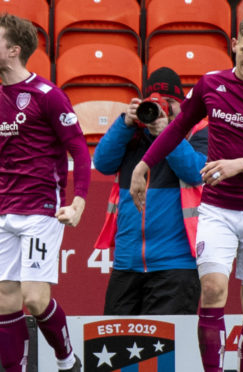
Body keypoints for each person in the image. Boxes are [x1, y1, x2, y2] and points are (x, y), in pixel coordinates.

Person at [130, 15, 243, 372]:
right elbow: (178, 127)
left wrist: (240, 164)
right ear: (235, 43)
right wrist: (144, 164)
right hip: (218, 209)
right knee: (212, 290)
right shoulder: (210, 84)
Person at [0, 13, 90, 372]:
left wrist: (78, 203)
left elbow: (79, 150)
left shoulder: (48, 96)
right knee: (3, 298)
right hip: (5, 210)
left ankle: (67, 360)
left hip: (42, 208)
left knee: (35, 298)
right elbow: (5, 160)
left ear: (14, 50)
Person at [93, 67, 207, 315]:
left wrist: (168, 134)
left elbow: (196, 173)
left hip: (176, 264)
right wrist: (125, 123)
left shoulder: (197, 132)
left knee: (168, 350)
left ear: (182, 106)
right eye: (154, 103)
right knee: (117, 345)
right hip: (127, 263)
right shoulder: (130, 133)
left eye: (169, 103)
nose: (161, 109)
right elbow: (102, 163)